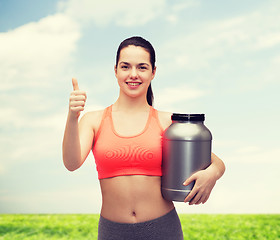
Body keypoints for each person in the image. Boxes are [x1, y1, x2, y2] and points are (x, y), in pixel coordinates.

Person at [62, 36, 225, 240]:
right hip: (113, 232)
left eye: (142, 67)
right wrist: (72, 116)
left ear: (153, 72)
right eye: (125, 67)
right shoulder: (93, 120)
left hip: (163, 229)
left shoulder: (167, 122)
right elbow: (71, 162)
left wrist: (213, 174)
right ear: (115, 70)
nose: (133, 74)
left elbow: (213, 160)